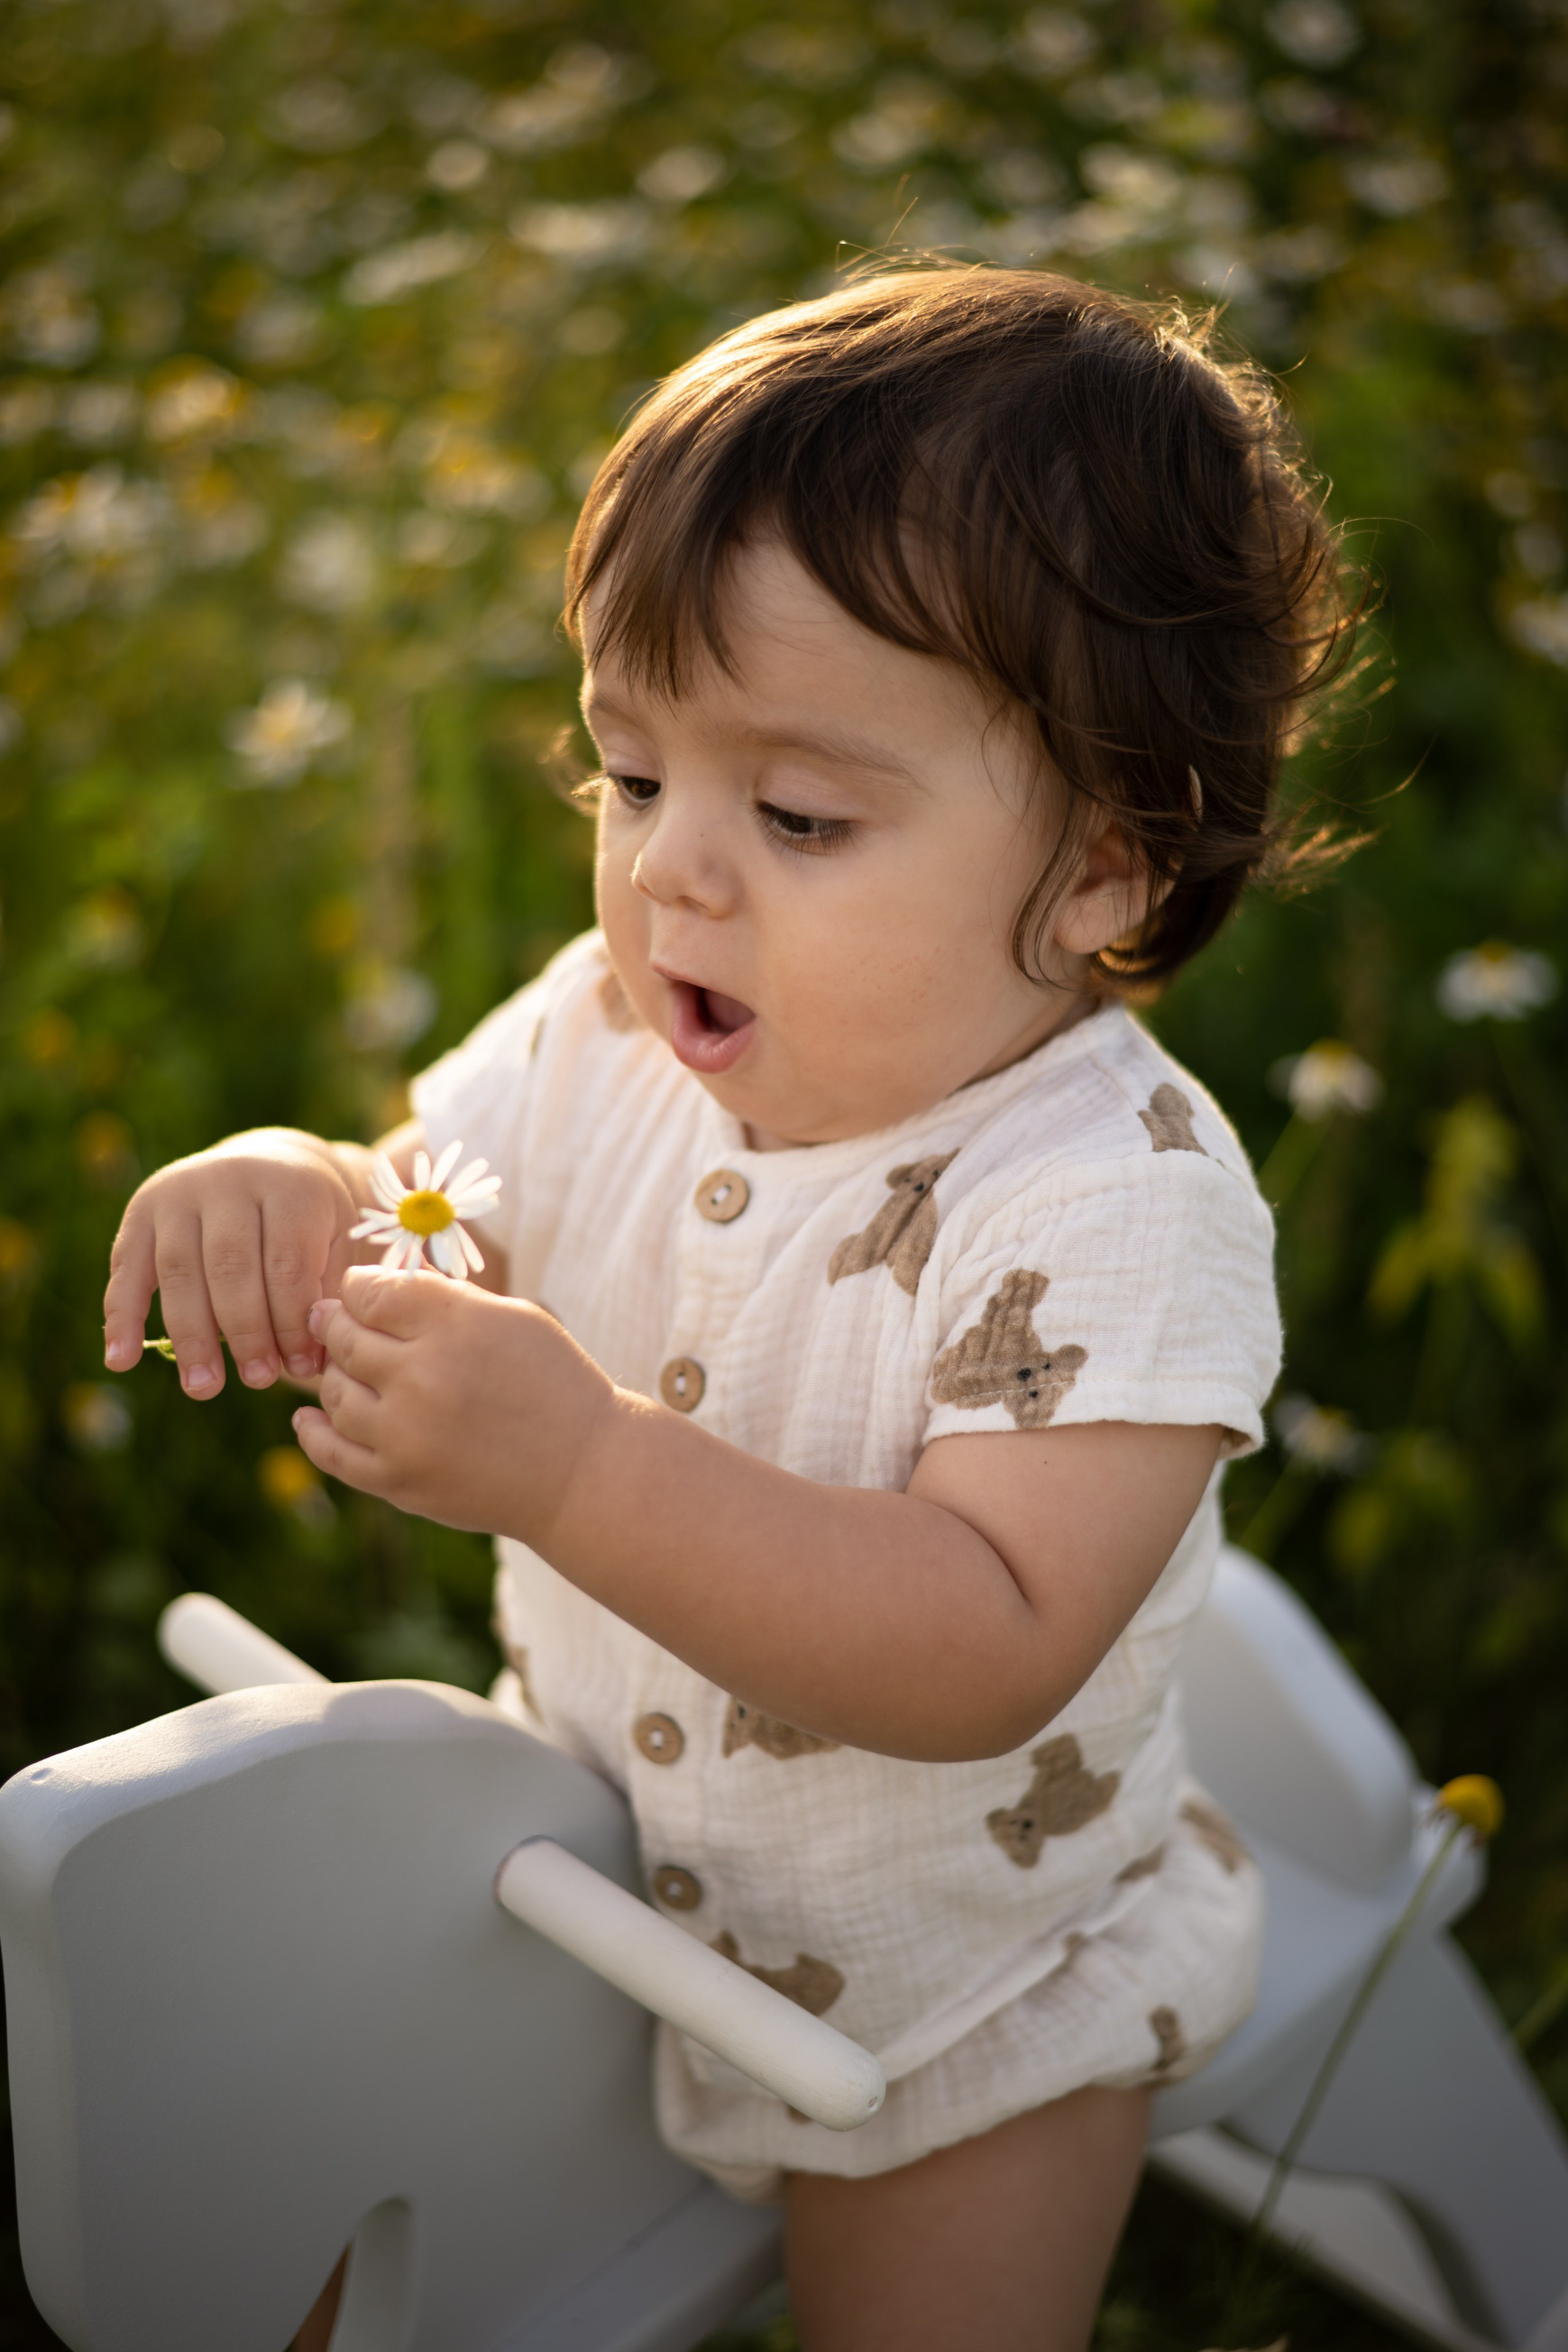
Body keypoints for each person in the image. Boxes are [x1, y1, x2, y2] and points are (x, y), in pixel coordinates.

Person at [104, 267, 1351, 2351]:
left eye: (793, 815)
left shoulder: (1119, 1204)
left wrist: (587, 1468)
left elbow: (988, 1644)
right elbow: (447, 1215)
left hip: (970, 1978)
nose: (674, 875)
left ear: (1110, 873)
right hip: (588, 1855)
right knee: (317, 2243)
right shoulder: (614, 1024)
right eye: (629, 773)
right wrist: (309, 1198)